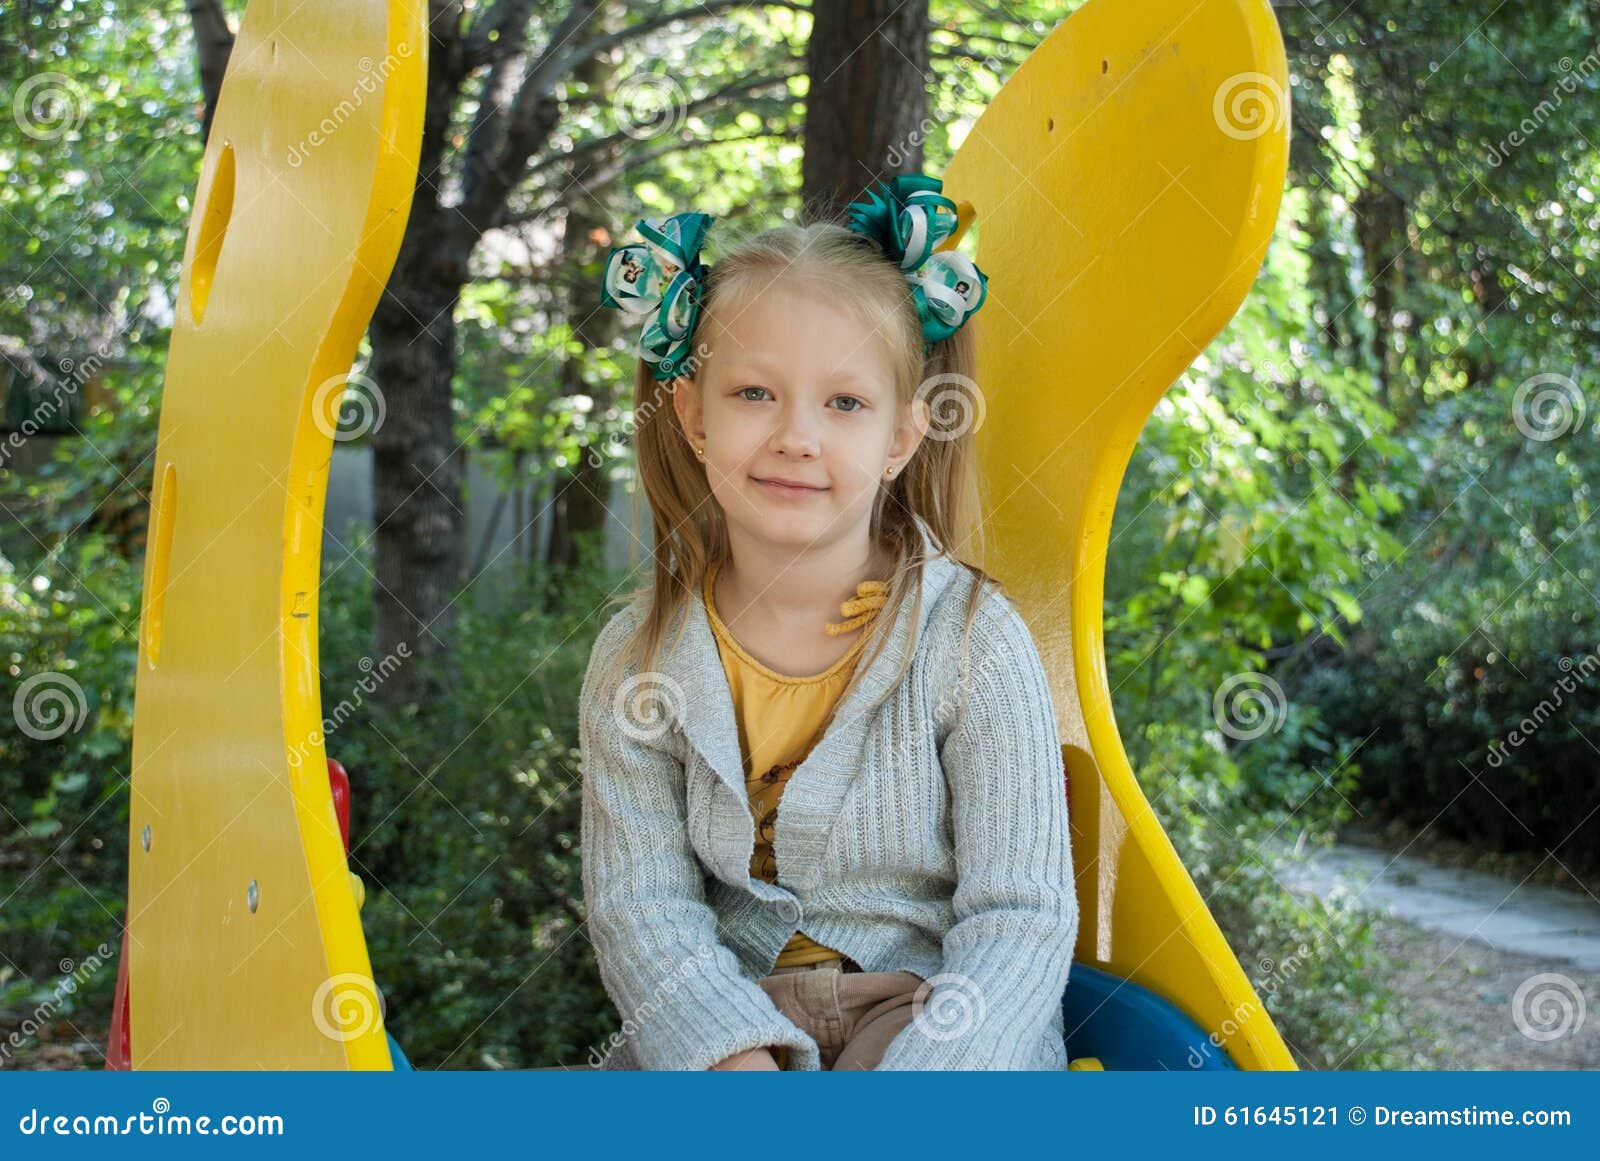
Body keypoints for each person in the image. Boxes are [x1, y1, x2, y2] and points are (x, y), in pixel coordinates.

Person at [580, 172, 1076, 1071]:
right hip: (728, 1015)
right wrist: (731, 1060)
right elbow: (640, 907)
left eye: (844, 403)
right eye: (754, 394)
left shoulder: (969, 637)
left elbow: (1022, 914)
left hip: (931, 1015)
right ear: (691, 414)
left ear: (901, 436)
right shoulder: (638, 659)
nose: (796, 436)